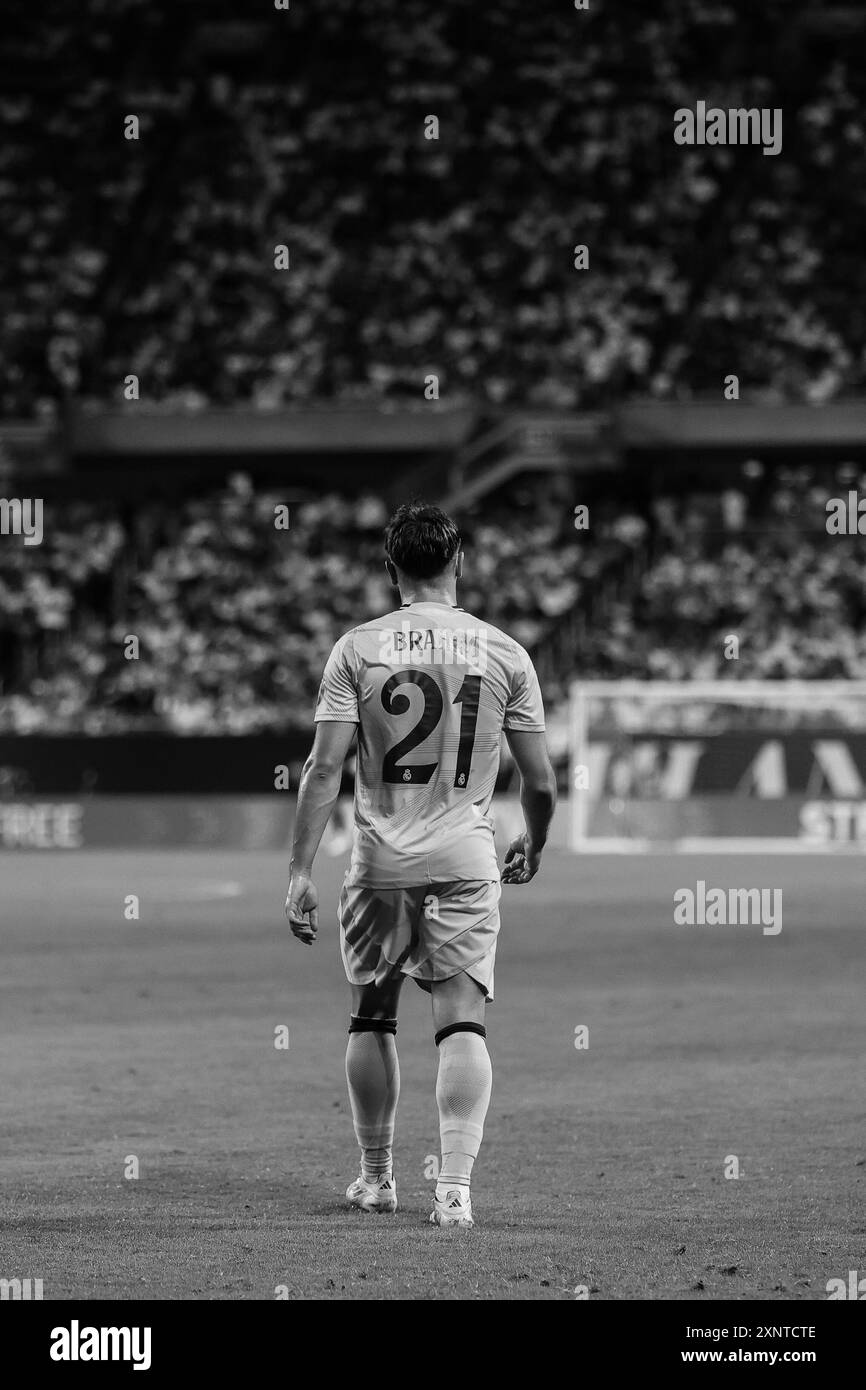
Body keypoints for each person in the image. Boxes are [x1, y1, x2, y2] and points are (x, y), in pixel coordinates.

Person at [285, 502, 556, 1228]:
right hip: (467, 856)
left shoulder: (357, 649)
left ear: (391, 568)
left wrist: (300, 871)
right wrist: (535, 837)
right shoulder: (506, 653)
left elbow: (323, 769)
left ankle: (376, 1179)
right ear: (458, 561)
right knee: (462, 1024)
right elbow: (543, 781)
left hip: (379, 862)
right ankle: (456, 1192)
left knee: (371, 1018)